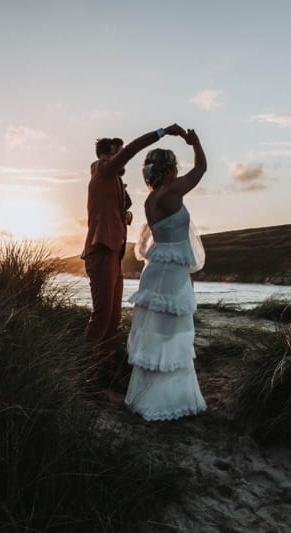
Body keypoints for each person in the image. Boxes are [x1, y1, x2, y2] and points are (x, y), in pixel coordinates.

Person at [82, 124, 186, 384]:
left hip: (113, 254)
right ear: (105, 156)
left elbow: (105, 209)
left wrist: (124, 215)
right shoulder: (103, 170)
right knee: (102, 316)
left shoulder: (113, 180)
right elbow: (131, 150)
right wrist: (161, 133)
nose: (121, 157)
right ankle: (83, 377)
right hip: (101, 251)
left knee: (114, 319)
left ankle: (103, 374)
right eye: (116, 152)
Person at [125, 128, 207, 421]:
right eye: (175, 167)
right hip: (171, 273)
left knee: (155, 333)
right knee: (172, 333)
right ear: (170, 169)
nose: (177, 171)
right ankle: (164, 402)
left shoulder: (149, 201)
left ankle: (146, 397)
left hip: (156, 268)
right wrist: (194, 142)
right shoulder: (172, 192)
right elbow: (201, 169)